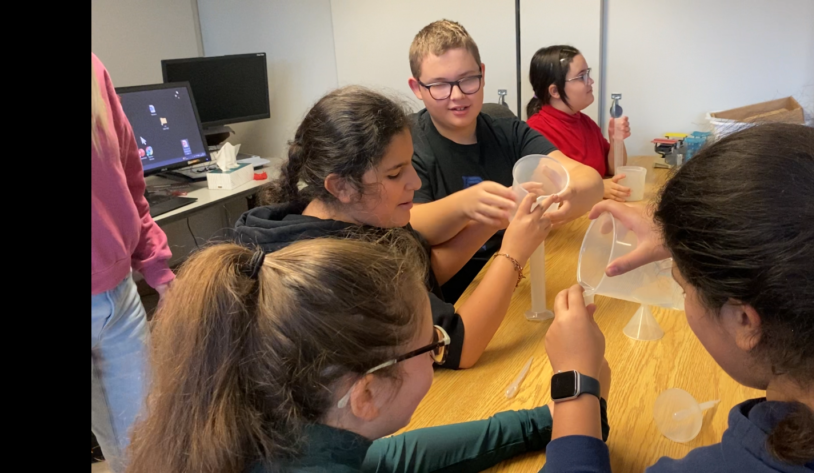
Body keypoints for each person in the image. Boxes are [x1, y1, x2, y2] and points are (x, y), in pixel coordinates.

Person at [542, 123, 814, 472]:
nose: (683, 295)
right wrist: (699, 242)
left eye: (683, 286)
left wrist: (576, 382)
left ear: (745, 321)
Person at [125, 235, 612, 472]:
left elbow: (385, 459)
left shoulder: (269, 427)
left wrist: (543, 420)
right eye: (433, 347)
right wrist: (576, 389)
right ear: (366, 393)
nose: (438, 352)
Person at [231, 86, 556, 369]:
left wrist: (491, 224)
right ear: (341, 186)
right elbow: (456, 346)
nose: (414, 182)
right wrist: (513, 252)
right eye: (394, 173)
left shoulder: (343, 211)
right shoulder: (331, 266)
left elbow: (421, 270)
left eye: (409, 165)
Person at [406, 19, 605, 301]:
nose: (458, 95)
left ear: (482, 73)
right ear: (417, 88)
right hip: (455, 298)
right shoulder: (408, 144)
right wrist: (471, 206)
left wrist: (571, 192)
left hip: (516, 277)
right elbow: (413, 220)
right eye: (439, 85)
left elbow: (586, 177)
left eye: (468, 79)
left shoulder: (508, 130)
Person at [91, 52, 176, 473]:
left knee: (148, 446)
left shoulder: (93, 69)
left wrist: (158, 267)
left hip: (119, 298)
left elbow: (128, 178)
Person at [526, 45, 632, 202]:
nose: (591, 81)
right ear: (555, 91)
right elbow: (548, 189)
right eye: (581, 76)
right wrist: (598, 188)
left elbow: (613, 169)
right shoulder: (535, 131)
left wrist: (617, 139)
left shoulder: (585, 122)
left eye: (587, 73)